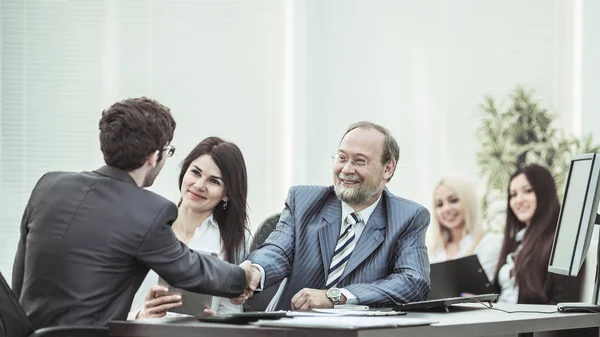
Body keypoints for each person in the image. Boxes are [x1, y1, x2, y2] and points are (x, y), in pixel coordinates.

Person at [11, 98, 251, 329]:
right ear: (153, 156)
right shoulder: (149, 211)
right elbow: (189, 270)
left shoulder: (48, 186)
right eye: (167, 152)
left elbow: (20, 280)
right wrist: (242, 277)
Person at [244, 121, 431, 310]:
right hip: (289, 329)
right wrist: (255, 271)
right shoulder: (303, 202)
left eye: (359, 161)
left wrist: (337, 296)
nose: (347, 169)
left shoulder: (408, 217)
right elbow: (277, 251)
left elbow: (412, 281)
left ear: (388, 168)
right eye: (342, 158)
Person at [129, 137, 251, 319]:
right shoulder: (145, 224)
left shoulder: (234, 239)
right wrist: (141, 315)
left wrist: (216, 321)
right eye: (195, 172)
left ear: (227, 194)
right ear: (184, 172)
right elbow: (109, 305)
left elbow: (232, 309)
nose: (199, 185)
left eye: (214, 181)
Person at [494, 164, 583, 304]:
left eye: (528, 191)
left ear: (545, 193)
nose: (519, 200)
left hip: (526, 323)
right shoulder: (516, 241)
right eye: (513, 194)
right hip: (496, 318)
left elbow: (562, 302)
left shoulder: (561, 242)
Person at [428, 176, 502, 281]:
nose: (446, 209)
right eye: (439, 204)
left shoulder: (490, 243)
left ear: (468, 202)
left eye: (453, 200)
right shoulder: (433, 252)